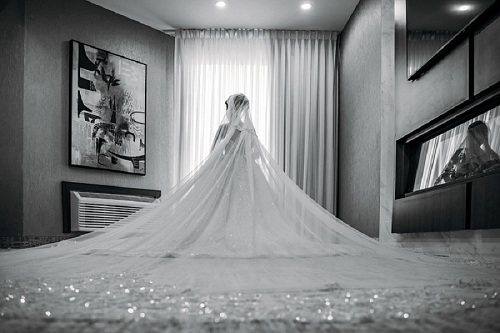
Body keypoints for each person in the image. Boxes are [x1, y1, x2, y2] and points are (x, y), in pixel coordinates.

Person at [434, 120, 500, 186]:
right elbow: (446, 174)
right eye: (476, 134)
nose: (480, 138)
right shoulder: (460, 153)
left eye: (483, 134)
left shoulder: (489, 156)